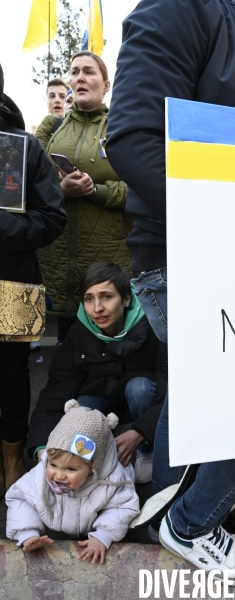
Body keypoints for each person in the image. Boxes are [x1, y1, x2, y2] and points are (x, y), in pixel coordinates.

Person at [107, 0, 235, 578]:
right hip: (190, 255)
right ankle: (190, 523)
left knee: (192, 404)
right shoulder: (179, 5)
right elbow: (134, 138)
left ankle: (168, 532)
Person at [27, 261, 167, 484]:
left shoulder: (153, 324)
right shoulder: (79, 332)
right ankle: (94, 458)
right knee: (77, 410)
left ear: (127, 298)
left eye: (107, 297)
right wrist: (41, 447)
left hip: (142, 398)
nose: (97, 308)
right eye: (89, 298)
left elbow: (171, 390)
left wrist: (141, 432)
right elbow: (56, 390)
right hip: (101, 392)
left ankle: (146, 450)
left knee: (139, 387)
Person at [0, 64, 66, 495]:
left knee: (11, 375)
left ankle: (12, 459)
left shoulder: (20, 147)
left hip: (17, 285)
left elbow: (53, 217)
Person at [35, 51, 132, 336]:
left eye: (89, 71)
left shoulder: (121, 128)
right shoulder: (52, 126)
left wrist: (95, 192)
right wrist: (59, 190)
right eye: (74, 72)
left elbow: (140, 189)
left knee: (105, 354)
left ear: (106, 85)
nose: (79, 77)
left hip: (106, 261)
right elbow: (26, 183)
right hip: (56, 259)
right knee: (64, 352)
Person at [6, 400, 140, 563]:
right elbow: (20, 499)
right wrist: (27, 534)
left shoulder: (111, 482)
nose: (59, 476)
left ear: (92, 468)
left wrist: (103, 535)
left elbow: (123, 507)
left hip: (92, 523)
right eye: (53, 465)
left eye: (71, 469)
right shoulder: (40, 474)